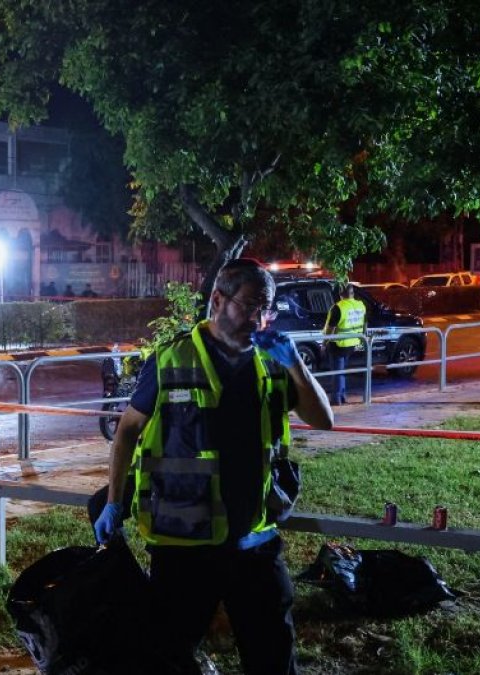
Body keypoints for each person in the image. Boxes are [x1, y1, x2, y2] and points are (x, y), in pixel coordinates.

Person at [94, 259, 333, 675]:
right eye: (250, 306)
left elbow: (323, 419)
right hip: (186, 548)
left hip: (254, 544)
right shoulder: (171, 359)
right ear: (218, 300)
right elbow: (127, 431)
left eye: (266, 309)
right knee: (167, 657)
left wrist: (295, 363)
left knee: (273, 659)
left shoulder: (273, 362)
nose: (258, 319)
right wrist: (114, 503)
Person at [323, 284, 366, 406]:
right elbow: (364, 323)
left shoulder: (338, 307)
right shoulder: (360, 305)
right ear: (352, 293)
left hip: (338, 343)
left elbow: (330, 329)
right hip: (353, 342)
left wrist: (324, 343)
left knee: (337, 371)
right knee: (341, 371)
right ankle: (342, 395)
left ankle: (336, 398)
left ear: (341, 294)